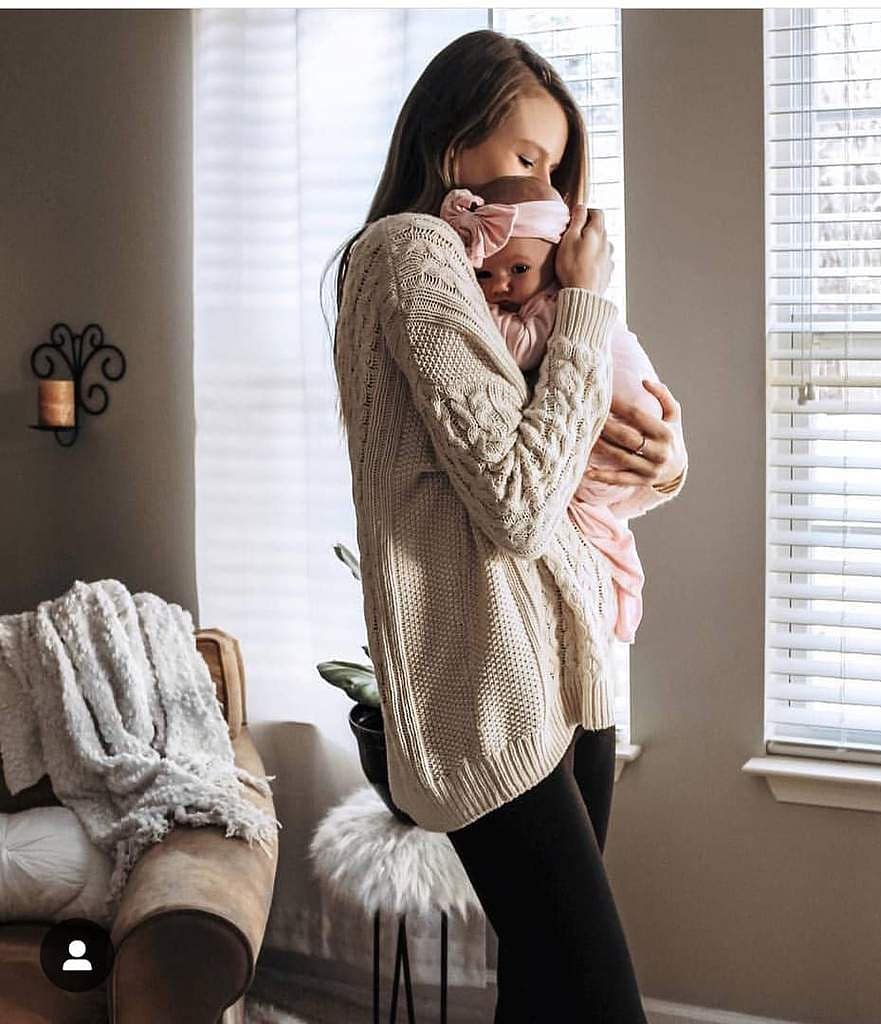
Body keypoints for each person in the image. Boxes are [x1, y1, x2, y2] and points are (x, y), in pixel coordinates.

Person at [326, 28, 686, 1024]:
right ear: (452, 150)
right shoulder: (410, 255)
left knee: (545, 994)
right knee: (599, 1000)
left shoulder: (508, 284)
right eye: (526, 157)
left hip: (570, 672)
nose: (545, 184)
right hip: (488, 684)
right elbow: (519, 498)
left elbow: (576, 447)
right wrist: (588, 309)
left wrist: (665, 457)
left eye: (556, 166)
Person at [438, 174, 689, 644]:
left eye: (518, 270)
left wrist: (478, 312)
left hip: (614, 440)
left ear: (556, 260)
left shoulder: (557, 308)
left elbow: (519, 347)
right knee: (596, 528)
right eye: (484, 276)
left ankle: (617, 579)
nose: (500, 287)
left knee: (592, 527)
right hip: (623, 448)